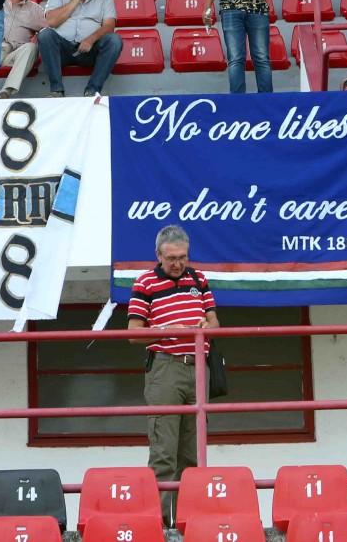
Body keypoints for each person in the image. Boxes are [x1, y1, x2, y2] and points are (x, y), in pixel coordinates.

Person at [126, 225, 219, 527]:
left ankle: (188, 522)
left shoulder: (199, 279)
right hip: (165, 367)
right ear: (158, 255)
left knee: (192, 454)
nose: (178, 264)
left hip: (199, 367)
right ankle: (160, 524)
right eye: (171, 258)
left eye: (182, 257)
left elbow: (215, 323)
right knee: (164, 452)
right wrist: (167, 330)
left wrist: (206, 327)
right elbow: (133, 333)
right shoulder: (145, 282)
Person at [38, 0, 122, 97]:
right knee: (45, 34)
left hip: (89, 51)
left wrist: (90, 39)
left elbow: (109, 26)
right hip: (62, 50)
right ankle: (57, 91)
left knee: (114, 40)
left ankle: (92, 91)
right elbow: (52, 21)